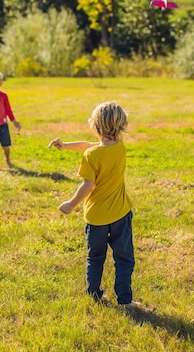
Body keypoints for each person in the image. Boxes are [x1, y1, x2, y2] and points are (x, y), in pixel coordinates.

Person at [48, 101, 137, 308]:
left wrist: (71, 204)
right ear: (120, 125)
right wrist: (66, 145)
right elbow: (90, 145)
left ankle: (94, 295)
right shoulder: (119, 148)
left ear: (96, 127)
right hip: (120, 215)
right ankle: (125, 301)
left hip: (96, 218)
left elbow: (88, 184)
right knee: (124, 260)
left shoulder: (92, 155)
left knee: (95, 258)